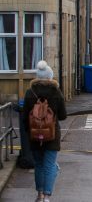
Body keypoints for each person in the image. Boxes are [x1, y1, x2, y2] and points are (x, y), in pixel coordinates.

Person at [23, 60, 67, 202]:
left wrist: (30, 132)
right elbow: (63, 115)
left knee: (39, 165)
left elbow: (25, 118)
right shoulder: (56, 92)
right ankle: (47, 197)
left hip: (34, 136)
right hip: (51, 135)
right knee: (49, 166)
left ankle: (39, 195)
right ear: (49, 77)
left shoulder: (30, 92)